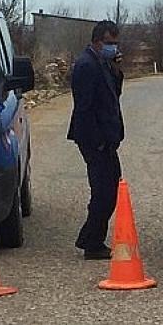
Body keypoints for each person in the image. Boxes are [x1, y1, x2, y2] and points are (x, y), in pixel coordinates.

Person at [67, 20, 125, 260]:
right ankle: (91, 241)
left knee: (110, 187)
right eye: (109, 43)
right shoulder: (86, 66)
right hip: (95, 140)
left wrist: (116, 70)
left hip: (106, 138)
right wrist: (97, 141)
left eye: (115, 43)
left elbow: (113, 95)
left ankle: (91, 237)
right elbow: (84, 108)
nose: (113, 47)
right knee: (103, 190)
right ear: (97, 41)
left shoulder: (102, 63)